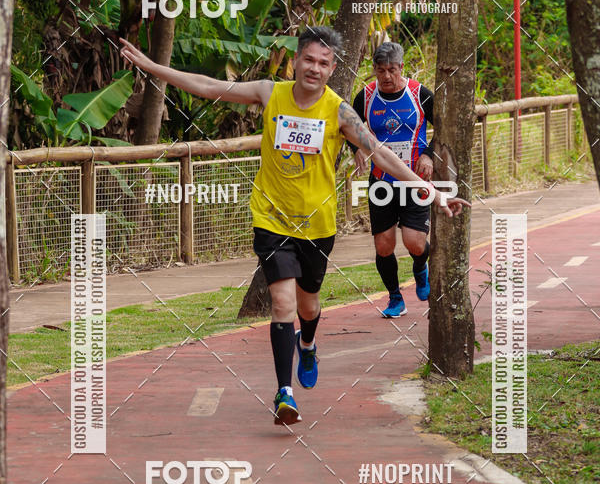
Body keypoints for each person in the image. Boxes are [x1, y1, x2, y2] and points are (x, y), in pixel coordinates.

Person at [120, 27, 468, 426]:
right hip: (271, 218)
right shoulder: (271, 93)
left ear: (332, 68)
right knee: (282, 303)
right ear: (296, 60)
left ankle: (308, 343)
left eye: (323, 63)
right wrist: (151, 67)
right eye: (309, 60)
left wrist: (434, 194)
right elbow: (209, 85)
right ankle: (284, 393)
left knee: (308, 305)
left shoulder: (339, 112)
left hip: (317, 225)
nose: (314, 69)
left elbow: (382, 155)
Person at [352, 42, 436, 318]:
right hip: (382, 181)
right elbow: (348, 128)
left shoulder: (420, 94)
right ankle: (395, 298)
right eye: (380, 70)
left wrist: (428, 155)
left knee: (414, 242)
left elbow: (444, 127)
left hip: (415, 180)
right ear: (373, 70)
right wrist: (357, 151)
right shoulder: (364, 97)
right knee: (384, 245)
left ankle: (420, 267)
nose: (386, 76)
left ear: (402, 68)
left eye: (391, 70)